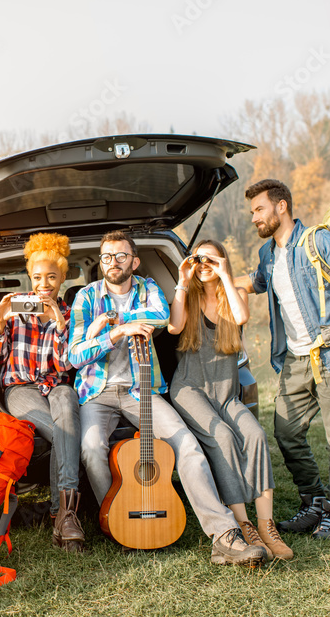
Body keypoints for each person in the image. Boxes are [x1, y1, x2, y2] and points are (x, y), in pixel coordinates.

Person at [68, 230, 268, 566]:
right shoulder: (86, 298)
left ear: (134, 260)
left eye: (120, 256)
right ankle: (116, 521)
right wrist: (117, 332)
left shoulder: (147, 289)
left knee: (187, 446)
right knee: (91, 449)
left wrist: (107, 324)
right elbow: (75, 355)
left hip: (141, 390)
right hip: (97, 393)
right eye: (106, 257)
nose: (113, 263)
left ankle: (223, 534)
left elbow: (163, 317)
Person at [238, 179, 330, 540]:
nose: (254, 218)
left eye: (259, 210)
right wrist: (210, 274)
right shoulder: (268, 254)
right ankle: (313, 501)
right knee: (286, 434)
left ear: (281, 206)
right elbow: (256, 282)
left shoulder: (319, 241)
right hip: (295, 359)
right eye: (252, 211)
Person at [167, 240, 292, 561]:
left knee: (255, 435)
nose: (204, 264)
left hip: (225, 391)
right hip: (189, 388)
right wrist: (183, 279)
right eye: (199, 259)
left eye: (212, 258)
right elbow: (174, 326)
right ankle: (243, 522)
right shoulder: (188, 297)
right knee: (221, 437)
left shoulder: (230, 295)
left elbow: (240, 316)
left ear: (223, 261)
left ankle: (267, 526)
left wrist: (224, 275)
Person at [0, 232, 84, 552]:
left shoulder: (70, 314)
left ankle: (62, 515)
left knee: (68, 403)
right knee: (62, 431)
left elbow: (66, 365)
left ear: (62, 278)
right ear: (30, 277)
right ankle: (66, 516)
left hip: (56, 384)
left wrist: (60, 323)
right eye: (37, 277)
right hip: (20, 388)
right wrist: (1, 325)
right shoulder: (17, 307)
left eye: (51, 277)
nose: (44, 284)